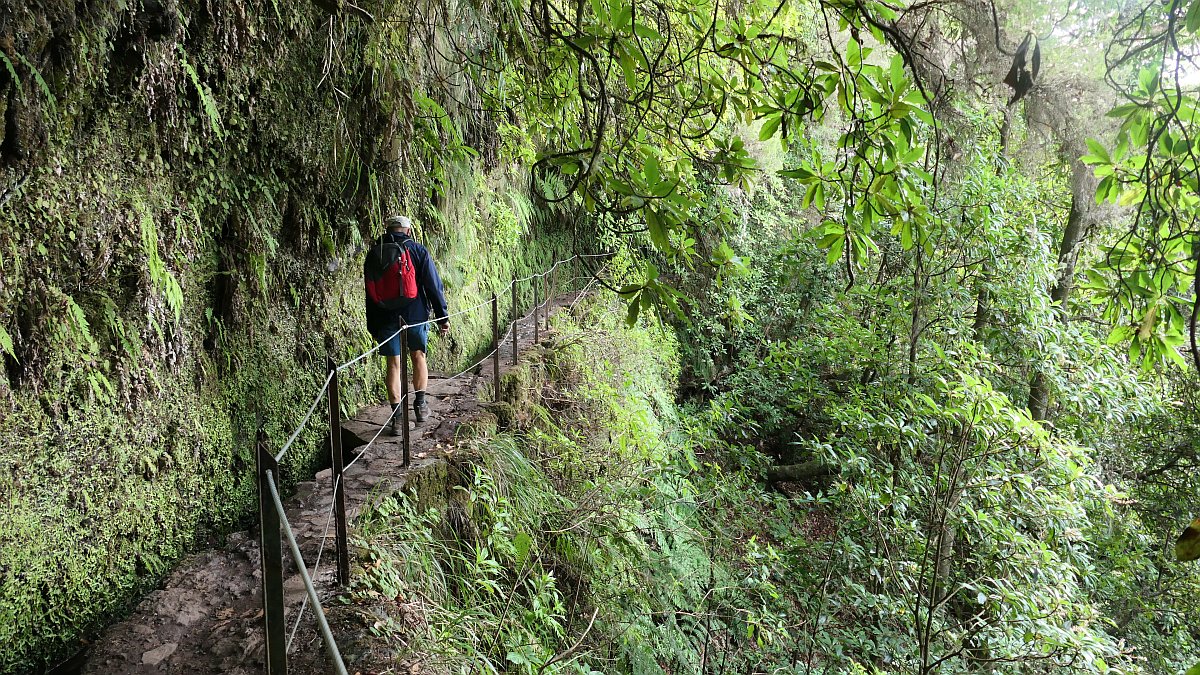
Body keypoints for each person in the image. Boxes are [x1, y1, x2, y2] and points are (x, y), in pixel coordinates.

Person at [365, 215, 449, 433]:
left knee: (393, 364)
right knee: (418, 355)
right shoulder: (418, 251)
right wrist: (443, 316)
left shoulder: (375, 254)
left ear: (388, 229)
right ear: (408, 231)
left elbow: (370, 293)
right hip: (416, 314)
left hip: (384, 317)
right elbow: (433, 286)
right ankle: (420, 406)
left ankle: (397, 419)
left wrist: (372, 326)